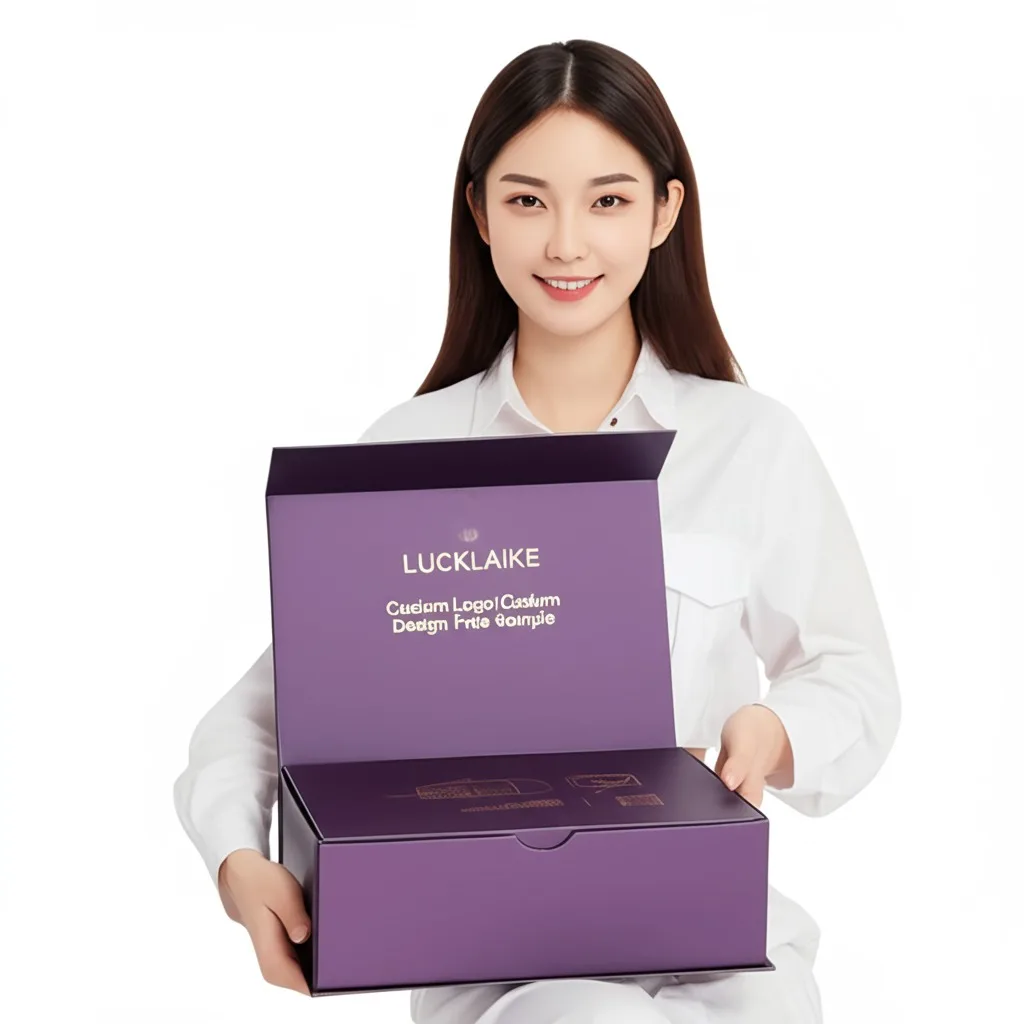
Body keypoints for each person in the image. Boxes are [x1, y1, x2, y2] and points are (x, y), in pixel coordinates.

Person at [173, 38, 900, 1024]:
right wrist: (238, 859)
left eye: (606, 200)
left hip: (717, 943)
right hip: (498, 960)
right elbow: (272, 706)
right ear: (478, 212)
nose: (565, 244)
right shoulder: (410, 453)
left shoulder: (750, 443)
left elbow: (853, 674)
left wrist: (773, 734)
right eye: (527, 200)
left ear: (663, 212)